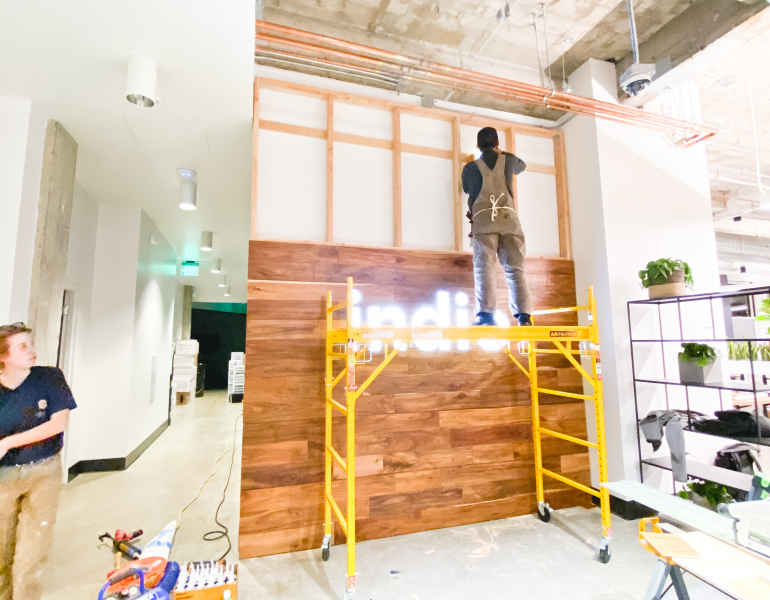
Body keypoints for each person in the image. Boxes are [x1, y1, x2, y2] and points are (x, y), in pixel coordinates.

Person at [0, 322, 76, 600]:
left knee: (32, 551)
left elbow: (58, 423)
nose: (32, 351)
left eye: (30, 344)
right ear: (3, 356)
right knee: (2, 550)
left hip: (43, 472)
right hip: (3, 478)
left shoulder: (49, 378)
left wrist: (7, 443)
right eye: (22, 347)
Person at [462, 126, 533, 326]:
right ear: (497, 143)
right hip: (509, 221)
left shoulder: (470, 168)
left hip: (484, 223)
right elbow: (522, 166)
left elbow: (467, 188)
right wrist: (502, 153)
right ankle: (524, 316)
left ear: (477, 145)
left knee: (485, 268)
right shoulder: (508, 160)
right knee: (515, 269)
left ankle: (486, 315)